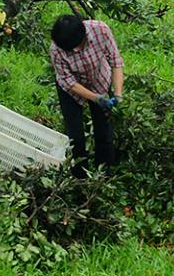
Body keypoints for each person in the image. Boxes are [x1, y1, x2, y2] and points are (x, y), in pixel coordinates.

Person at [49, 13, 124, 171]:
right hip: (71, 90)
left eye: (77, 47)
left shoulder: (100, 30)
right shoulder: (56, 49)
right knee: (75, 136)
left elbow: (116, 61)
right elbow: (68, 82)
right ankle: (79, 174)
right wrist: (96, 98)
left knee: (104, 132)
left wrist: (117, 94)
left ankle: (103, 172)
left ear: (83, 36)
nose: (75, 51)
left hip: (99, 80)